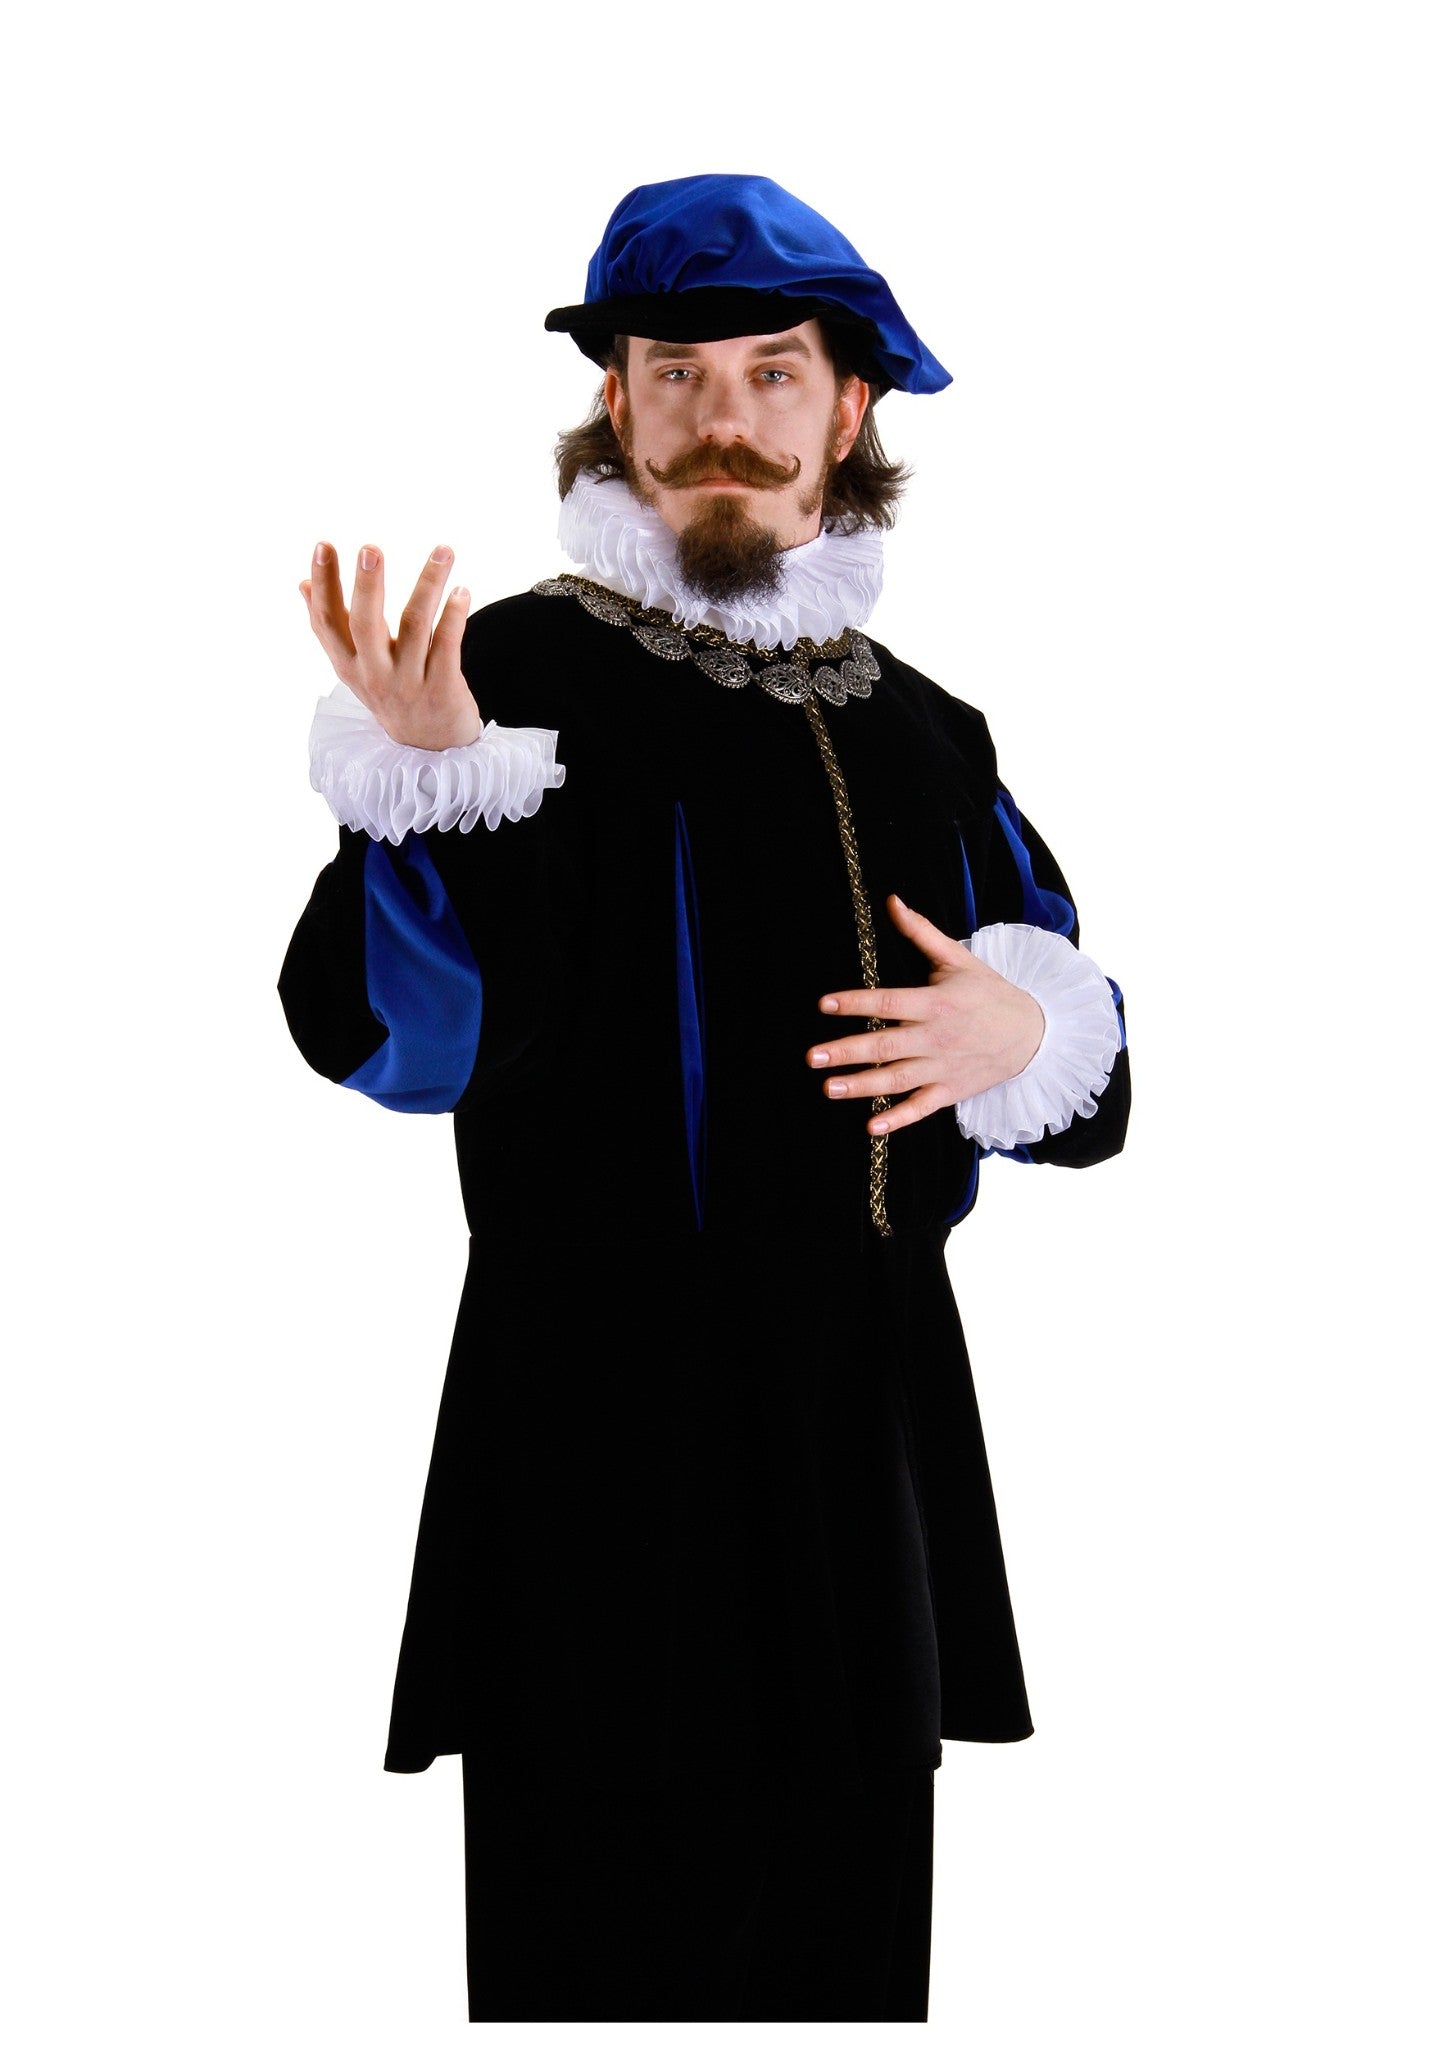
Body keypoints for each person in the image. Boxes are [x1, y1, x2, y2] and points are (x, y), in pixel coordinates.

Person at [280, 172, 1130, 2022]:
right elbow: (396, 1042)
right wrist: (433, 806)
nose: (720, 418)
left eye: (769, 372)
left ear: (848, 406)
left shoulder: (924, 728)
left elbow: (1078, 1070)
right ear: (619, 405)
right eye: (675, 374)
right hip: (596, 1455)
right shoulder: (508, 679)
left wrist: (1022, 1035)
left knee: (845, 1973)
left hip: (864, 1451)